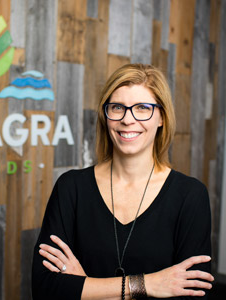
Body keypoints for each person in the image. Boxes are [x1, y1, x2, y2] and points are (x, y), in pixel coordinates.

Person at [31, 64, 213, 300]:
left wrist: (84, 286)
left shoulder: (190, 195)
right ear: (105, 116)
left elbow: (193, 295)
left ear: (162, 118)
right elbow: (45, 289)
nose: (128, 119)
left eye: (142, 108)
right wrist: (148, 284)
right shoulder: (71, 188)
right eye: (117, 108)